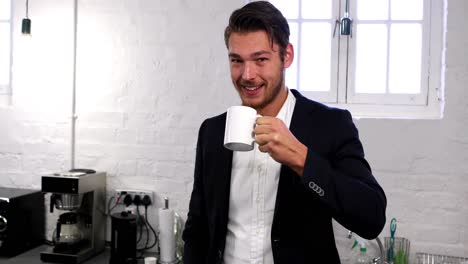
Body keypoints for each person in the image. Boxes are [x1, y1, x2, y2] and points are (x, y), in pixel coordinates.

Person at [182, 1, 387, 263]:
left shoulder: (330, 125)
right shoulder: (211, 132)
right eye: (237, 61)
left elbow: (371, 218)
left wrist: (302, 158)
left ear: (286, 56)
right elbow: (197, 229)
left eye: (261, 60)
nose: (247, 75)